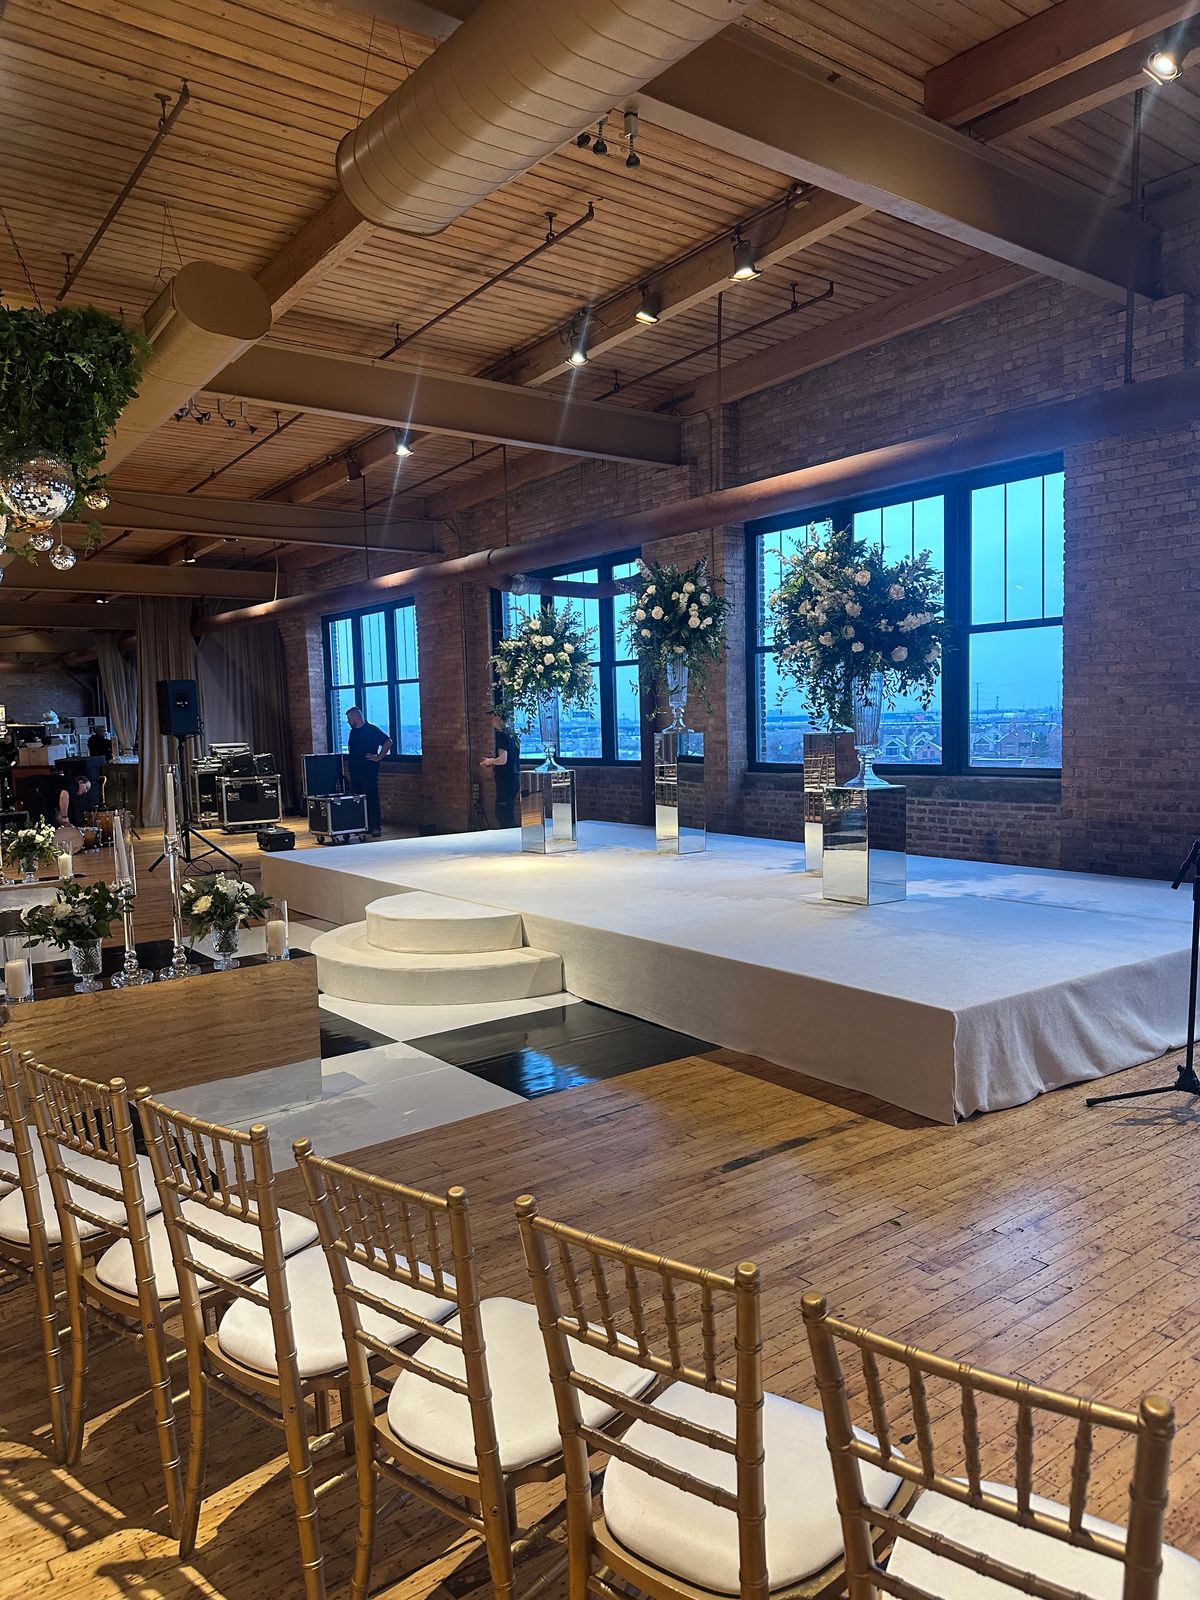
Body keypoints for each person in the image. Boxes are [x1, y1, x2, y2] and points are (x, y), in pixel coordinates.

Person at [345, 706, 391, 838]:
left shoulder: (372, 730)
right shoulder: (353, 732)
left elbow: (388, 742)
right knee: (358, 799)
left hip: (368, 771)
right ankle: (362, 825)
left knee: (371, 798)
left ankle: (375, 826)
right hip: (355, 771)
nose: (348, 722)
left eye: (349, 719)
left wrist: (378, 757)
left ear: (356, 718)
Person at [480, 708, 521, 828]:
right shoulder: (513, 735)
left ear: (500, 719)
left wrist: (490, 761)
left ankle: (512, 837)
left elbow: (503, 760)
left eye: (494, 717)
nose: (492, 720)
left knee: (503, 814)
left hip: (505, 779)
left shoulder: (501, 736)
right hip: (514, 778)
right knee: (507, 813)